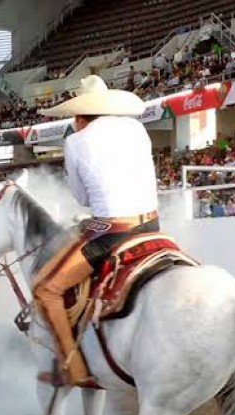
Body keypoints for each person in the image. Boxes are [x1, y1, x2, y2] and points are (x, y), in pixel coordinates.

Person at [34, 75, 159, 387]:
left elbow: (81, 198)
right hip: (152, 225)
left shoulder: (76, 141)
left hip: (114, 232)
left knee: (46, 289)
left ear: (79, 117)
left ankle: (74, 369)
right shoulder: (137, 129)